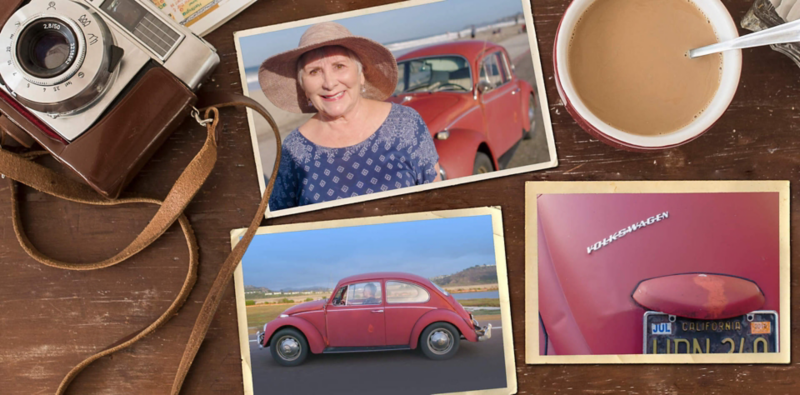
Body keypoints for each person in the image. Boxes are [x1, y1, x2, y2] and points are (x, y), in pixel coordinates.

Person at [258, 22, 441, 211]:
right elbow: (280, 225)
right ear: (304, 88)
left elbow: (439, 200)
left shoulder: (405, 123)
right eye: (314, 71)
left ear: (361, 75)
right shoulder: (294, 149)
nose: (329, 83)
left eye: (339, 66)